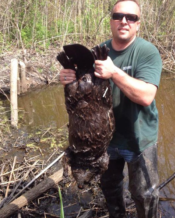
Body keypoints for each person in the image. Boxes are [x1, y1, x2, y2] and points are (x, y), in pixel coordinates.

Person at [59, 0, 162, 217]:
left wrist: (114, 72)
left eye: (131, 17)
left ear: (138, 24)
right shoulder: (98, 53)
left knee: (145, 193)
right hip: (104, 142)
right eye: (118, 16)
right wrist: (70, 79)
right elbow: (82, 96)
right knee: (110, 188)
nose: (124, 21)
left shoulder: (147, 52)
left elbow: (146, 96)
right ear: (111, 21)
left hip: (139, 139)